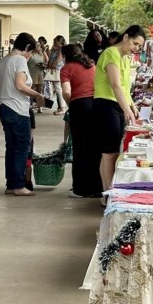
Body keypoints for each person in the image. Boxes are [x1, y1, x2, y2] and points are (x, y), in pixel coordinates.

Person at [92, 25, 146, 192]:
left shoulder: (123, 57)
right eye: (135, 43)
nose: (136, 48)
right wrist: (127, 110)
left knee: (112, 152)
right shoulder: (111, 53)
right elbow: (115, 85)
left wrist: (132, 105)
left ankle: (108, 191)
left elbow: (123, 86)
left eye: (139, 46)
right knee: (109, 153)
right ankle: (108, 193)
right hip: (106, 105)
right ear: (126, 37)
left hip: (115, 106)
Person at [0, 32, 43, 197]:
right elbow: (20, 85)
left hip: (3, 106)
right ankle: (19, 185)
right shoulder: (20, 60)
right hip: (17, 108)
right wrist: (37, 95)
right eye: (31, 52)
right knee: (22, 147)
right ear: (27, 47)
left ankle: (11, 184)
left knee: (11, 147)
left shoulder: (5, 60)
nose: (30, 56)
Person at [60, 43, 100, 198]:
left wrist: (72, 104)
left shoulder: (66, 69)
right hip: (96, 104)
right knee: (94, 147)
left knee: (80, 147)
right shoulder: (92, 65)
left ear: (65, 56)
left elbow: (66, 91)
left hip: (79, 106)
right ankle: (97, 187)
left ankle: (80, 188)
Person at [46, 35, 67, 115]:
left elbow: (58, 60)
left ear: (59, 41)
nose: (53, 42)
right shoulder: (56, 49)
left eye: (55, 41)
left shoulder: (61, 49)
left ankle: (62, 108)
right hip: (55, 70)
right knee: (57, 89)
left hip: (58, 70)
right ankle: (60, 107)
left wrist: (51, 66)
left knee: (58, 90)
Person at [28, 39, 47, 113]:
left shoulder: (41, 54)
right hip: (32, 73)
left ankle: (40, 107)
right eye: (37, 45)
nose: (38, 47)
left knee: (40, 91)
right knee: (31, 90)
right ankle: (29, 105)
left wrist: (43, 66)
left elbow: (46, 61)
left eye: (39, 45)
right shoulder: (30, 54)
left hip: (40, 73)